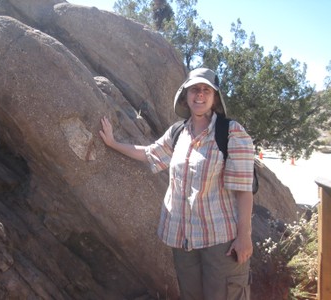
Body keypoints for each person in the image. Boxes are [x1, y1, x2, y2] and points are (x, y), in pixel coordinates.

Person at [99, 68, 254, 300]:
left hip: (220, 241)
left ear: (214, 98)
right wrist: (113, 143)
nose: (199, 95)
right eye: (194, 89)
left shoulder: (230, 132)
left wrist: (244, 237)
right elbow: (149, 153)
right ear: (185, 95)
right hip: (184, 241)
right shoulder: (178, 132)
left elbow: (243, 190)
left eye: (206, 90)